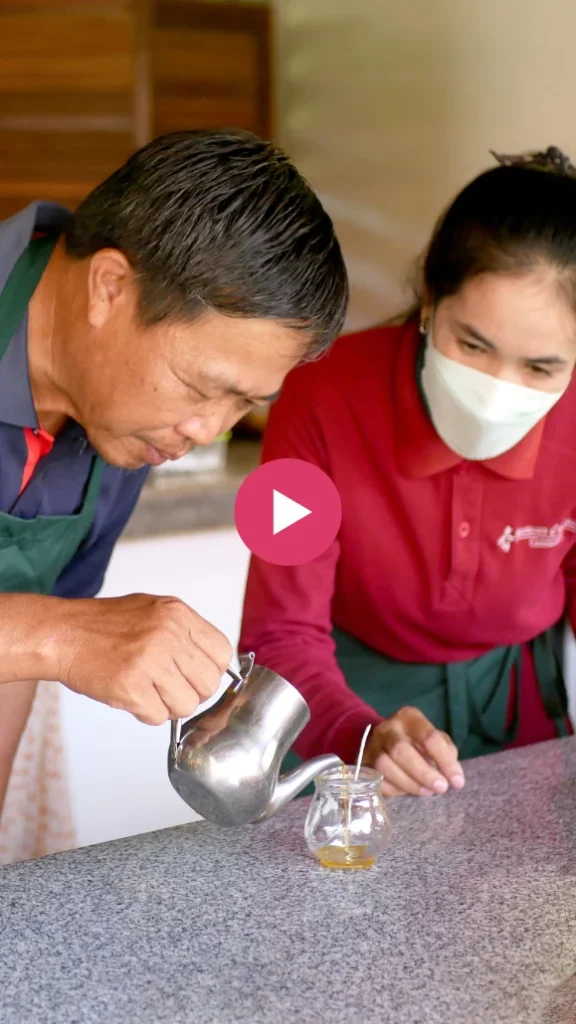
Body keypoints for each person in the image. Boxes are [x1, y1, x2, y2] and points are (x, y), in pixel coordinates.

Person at [0, 128, 348, 819]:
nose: (205, 430)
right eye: (198, 385)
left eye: (243, 404)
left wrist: (45, 640)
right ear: (109, 288)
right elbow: (34, 634)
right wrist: (61, 634)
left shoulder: (121, 421)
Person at [240, 146, 576, 799]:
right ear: (429, 296)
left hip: (520, 700)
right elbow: (275, 634)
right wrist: (362, 737)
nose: (496, 390)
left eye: (541, 368)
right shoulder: (313, 393)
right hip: (338, 691)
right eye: (472, 344)